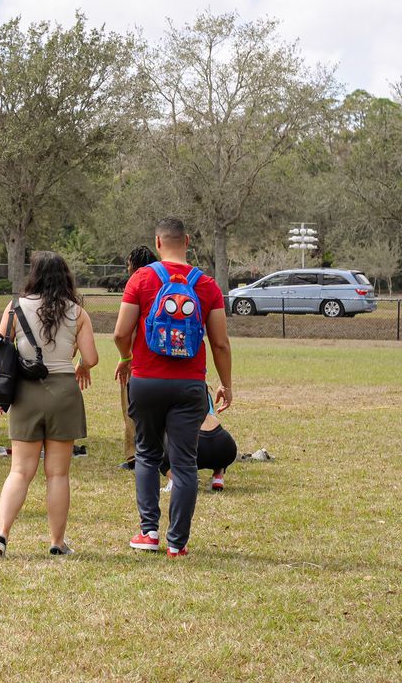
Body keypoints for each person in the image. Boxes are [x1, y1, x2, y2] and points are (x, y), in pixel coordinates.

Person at [113, 218, 232, 558]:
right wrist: (226, 384)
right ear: (188, 241)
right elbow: (220, 343)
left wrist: (127, 358)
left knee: (147, 454)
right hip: (189, 384)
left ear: (158, 242)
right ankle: (177, 542)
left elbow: (121, 333)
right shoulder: (207, 285)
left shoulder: (141, 279)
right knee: (184, 463)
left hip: (146, 381)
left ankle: (148, 532)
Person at [0, 253, 98, 558]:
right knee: (58, 474)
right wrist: (78, 363)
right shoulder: (77, 312)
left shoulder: (15, 307)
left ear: (33, 275)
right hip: (64, 392)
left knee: (20, 471)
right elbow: (91, 358)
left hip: (25, 392)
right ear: (65, 277)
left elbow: (1, 351)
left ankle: (1, 535)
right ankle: (57, 542)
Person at [117, 244, 157, 470]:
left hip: (138, 359)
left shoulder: (136, 283)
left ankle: (134, 455)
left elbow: (124, 331)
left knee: (131, 407)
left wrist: (125, 357)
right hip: (166, 358)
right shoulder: (165, 283)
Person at [159, 408, 238, 491]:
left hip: (195, 447)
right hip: (224, 446)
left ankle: (177, 479)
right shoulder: (202, 398)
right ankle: (218, 477)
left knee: (155, 444)